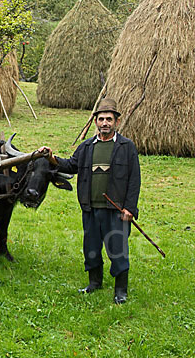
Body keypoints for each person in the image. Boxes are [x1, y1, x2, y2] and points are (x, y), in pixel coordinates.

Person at [39, 98, 141, 304]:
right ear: (95, 122)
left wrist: (129, 208)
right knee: (91, 247)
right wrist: (52, 158)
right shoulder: (86, 147)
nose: (105, 123)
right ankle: (95, 282)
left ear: (117, 122)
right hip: (90, 208)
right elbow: (70, 166)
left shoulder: (126, 147)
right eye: (101, 119)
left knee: (118, 249)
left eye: (109, 119)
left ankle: (120, 290)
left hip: (116, 210)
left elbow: (134, 180)